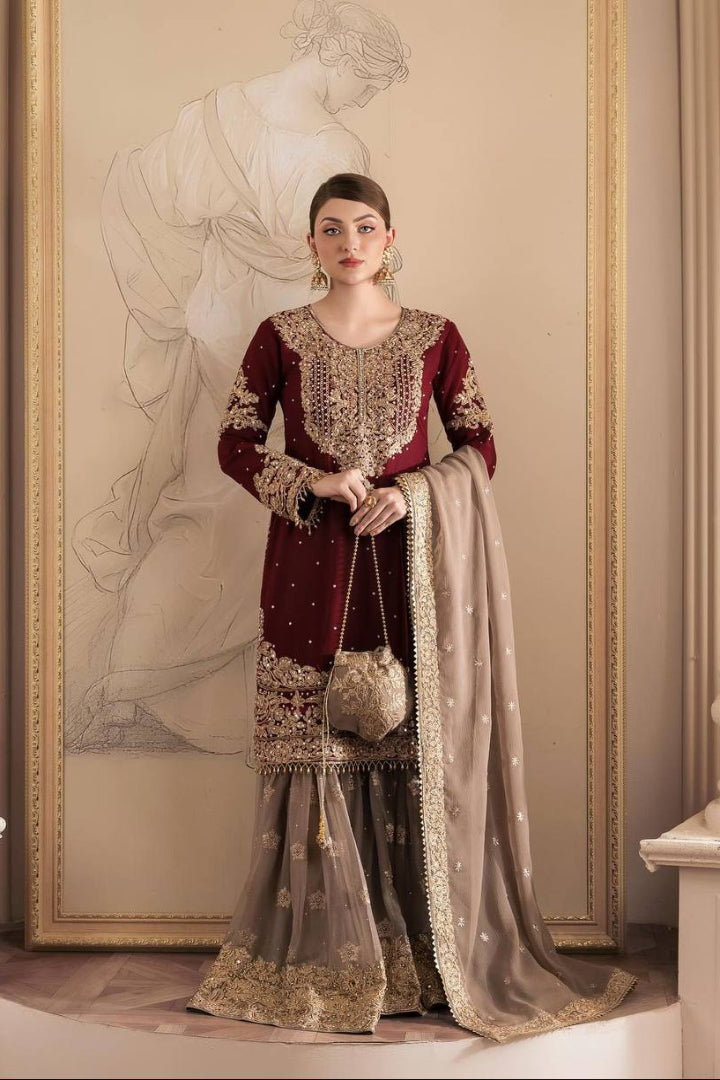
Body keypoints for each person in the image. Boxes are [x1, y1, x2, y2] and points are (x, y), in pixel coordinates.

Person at [185, 172, 638, 1040]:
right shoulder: (278, 337)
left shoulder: (437, 337)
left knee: (411, 752)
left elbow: (481, 446)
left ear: (390, 239)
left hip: (411, 574)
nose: (349, 242)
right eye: (330, 228)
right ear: (309, 243)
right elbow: (234, 444)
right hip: (309, 564)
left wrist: (415, 493)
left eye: (365, 227)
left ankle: (428, 956)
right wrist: (312, 479)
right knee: (314, 750)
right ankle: (322, 960)